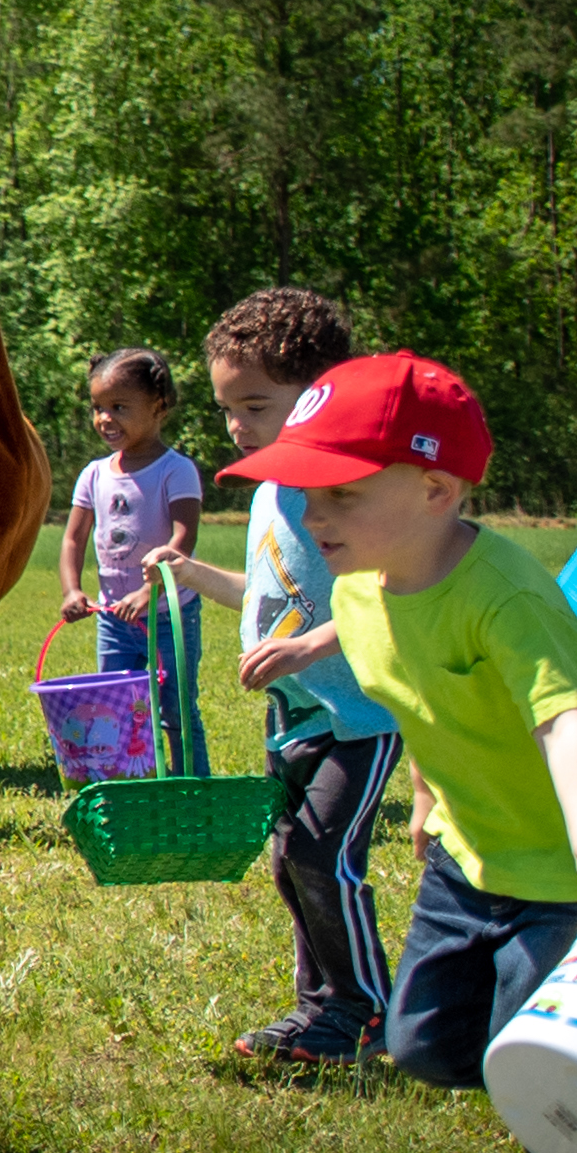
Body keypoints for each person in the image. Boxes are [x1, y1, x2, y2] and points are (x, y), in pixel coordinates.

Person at [223, 352, 577, 1153]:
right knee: (423, 1043)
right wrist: (422, 789)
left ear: (433, 488)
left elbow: (564, 714)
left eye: (336, 495)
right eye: (302, 493)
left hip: (571, 867)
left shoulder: (505, 595)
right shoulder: (361, 583)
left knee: (547, 1064)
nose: (310, 518)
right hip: (471, 856)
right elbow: (413, 682)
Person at [144, 290, 397, 1066]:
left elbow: (393, 595)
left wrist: (306, 648)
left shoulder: (353, 486)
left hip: (356, 717)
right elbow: (265, 599)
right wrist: (192, 574)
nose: (235, 424)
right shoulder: (267, 493)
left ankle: (363, 1012)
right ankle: (315, 1007)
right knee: (291, 861)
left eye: (254, 405)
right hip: (292, 716)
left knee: (324, 857)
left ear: (319, 393)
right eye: (226, 408)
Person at [59, 345, 210, 775]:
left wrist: (150, 590)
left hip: (168, 617)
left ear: (158, 407)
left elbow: (184, 538)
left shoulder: (175, 471)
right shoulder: (94, 474)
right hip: (113, 621)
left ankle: (191, 791)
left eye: (119, 407)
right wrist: (72, 590)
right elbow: (73, 539)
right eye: (98, 408)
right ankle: (128, 786)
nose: (105, 419)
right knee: (114, 711)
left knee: (176, 711)